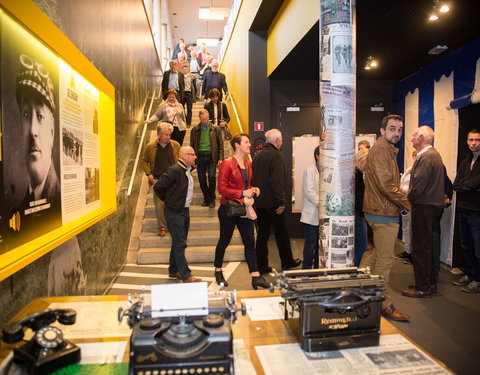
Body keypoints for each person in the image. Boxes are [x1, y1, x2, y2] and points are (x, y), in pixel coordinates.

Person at [362, 114, 411, 321]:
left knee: (376, 256)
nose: (397, 133)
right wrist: (407, 203)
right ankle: (383, 303)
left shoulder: (386, 150)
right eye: (392, 129)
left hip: (380, 210)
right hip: (382, 212)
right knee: (386, 259)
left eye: (399, 130)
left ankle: (363, 290)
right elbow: (386, 184)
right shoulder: (381, 150)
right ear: (382, 131)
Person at [214, 133, 269, 289]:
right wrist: (241, 193)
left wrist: (253, 189)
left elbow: (246, 185)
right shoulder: (227, 163)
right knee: (224, 241)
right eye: (246, 142)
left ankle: (256, 276)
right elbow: (221, 188)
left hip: (244, 208)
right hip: (228, 209)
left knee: (250, 242)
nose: (249, 144)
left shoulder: (248, 164)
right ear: (237, 145)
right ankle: (218, 270)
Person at [16, 53, 61, 228]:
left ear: (52, 131)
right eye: (26, 114)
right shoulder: (20, 209)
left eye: (40, 116)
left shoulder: (60, 201)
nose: (33, 130)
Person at [401, 126, 445, 298]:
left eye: (413, 136)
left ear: (421, 138)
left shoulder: (426, 156)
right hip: (430, 206)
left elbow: (418, 185)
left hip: (424, 206)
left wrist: (407, 198)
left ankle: (423, 287)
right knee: (426, 247)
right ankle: (428, 283)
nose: (411, 138)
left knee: (420, 247)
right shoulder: (432, 155)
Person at [252, 129, 301, 273]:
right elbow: (277, 181)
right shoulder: (276, 155)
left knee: (262, 235)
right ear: (277, 140)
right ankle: (287, 262)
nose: (282, 142)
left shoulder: (258, 156)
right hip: (273, 203)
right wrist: (281, 201)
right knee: (282, 233)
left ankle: (261, 266)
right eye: (281, 140)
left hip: (260, 203)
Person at [154, 146, 202, 283]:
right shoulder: (174, 170)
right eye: (192, 155)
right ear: (185, 156)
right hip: (174, 212)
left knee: (178, 241)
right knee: (180, 243)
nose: (195, 157)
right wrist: (169, 201)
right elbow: (158, 187)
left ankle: (174, 270)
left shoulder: (187, 170)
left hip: (184, 210)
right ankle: (186, 275)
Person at [452, 129, 480, 293]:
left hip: (477, 213)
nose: (474, 143)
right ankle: (470, 275)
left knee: (478, 250)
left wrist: (466, 186)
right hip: (463, 210)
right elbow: (457, 184)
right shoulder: (465, 161)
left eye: (477, 140)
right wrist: (468, 187)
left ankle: (478, 280)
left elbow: (473, 184)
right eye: (471, 140)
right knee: (466, 246)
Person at [141, 122, 180, 236]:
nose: (168, 137)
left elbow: (181, 160)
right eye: (166, 135)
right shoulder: (150, 147)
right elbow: (144, 161)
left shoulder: (175, 145)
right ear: (159, 134)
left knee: (172, 204)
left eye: (169, 135)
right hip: (158, 180)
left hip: (173, 180)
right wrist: (149, 174)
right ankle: (161, 227)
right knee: (159, 205)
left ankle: (172, 226)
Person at [190, 109, 224, 208]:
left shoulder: (216, 129)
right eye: (202, 119)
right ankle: (206, 198)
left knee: (212, 177)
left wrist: (220, 158)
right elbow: (192, 145)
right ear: (199, 118)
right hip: (200, 157)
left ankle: (212, 199)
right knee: (201, 179)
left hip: (212, 157)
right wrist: (193, 158)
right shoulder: (194, 130)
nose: (204, 121)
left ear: (209, 117)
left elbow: (220, 145)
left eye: (206, 119)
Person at [396, 150, 418, 264]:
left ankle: (413, 253)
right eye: (414, 155)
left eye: (417, 155)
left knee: (412, 229)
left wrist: (402, 188)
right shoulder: (408, 170)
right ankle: (408, 251)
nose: (415, 158)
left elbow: (412, 189)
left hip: (412, 204)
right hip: (404, 203)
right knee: (406, 228)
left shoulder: (418, 171)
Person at [300, 146, 320, 269]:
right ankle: (306, 269)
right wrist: (323, 204)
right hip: (311, 215)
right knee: (310, 244)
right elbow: (309, 191)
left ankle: (317, 269)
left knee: (320, 245)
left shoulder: (328, 171)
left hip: (323, 216)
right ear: (317, 156)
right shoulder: (309, 171)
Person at [354, 147, 368, 267]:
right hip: (357, 215)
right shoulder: (357, 176)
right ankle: (353, 269)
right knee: (362, 245)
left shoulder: (356, 174)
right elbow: (358, 200)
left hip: (356, 214)